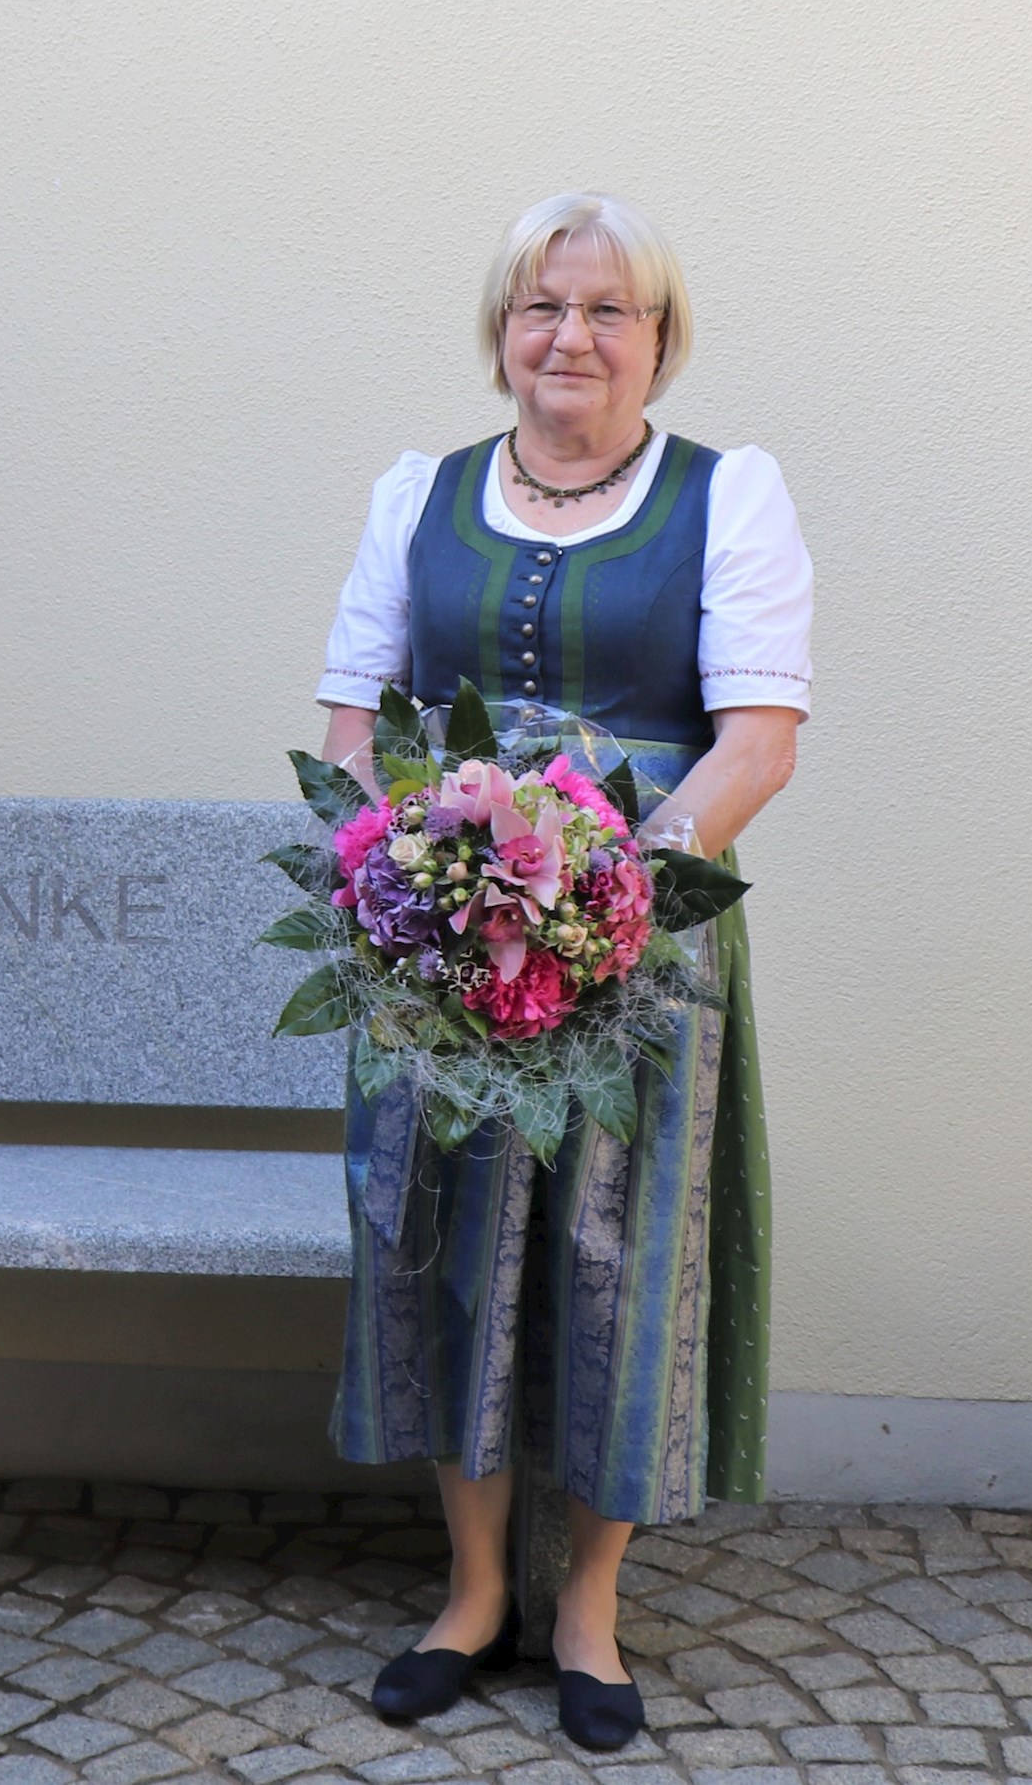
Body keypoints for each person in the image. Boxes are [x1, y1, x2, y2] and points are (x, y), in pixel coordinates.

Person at [312, 191, 809, 1752]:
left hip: (638, 945)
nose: (572, 337)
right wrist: (423, 886)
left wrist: (604, 894)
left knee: (617, 1259)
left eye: (609, 311)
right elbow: (352, 722)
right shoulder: (422, 492)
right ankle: (470, 1591)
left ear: (659, 338)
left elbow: (760, 741)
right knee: (444, 1250)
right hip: (439, 939)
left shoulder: (729, 497)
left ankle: (588, 1605)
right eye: (542, 308)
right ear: (500, 333)